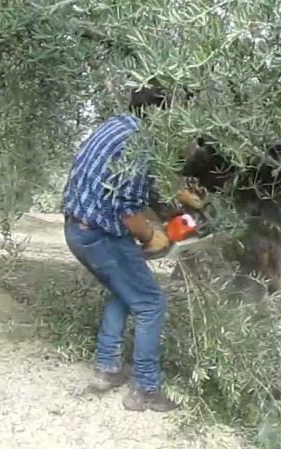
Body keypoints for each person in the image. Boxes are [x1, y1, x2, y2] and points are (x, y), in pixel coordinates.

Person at [61, 85, 202, 412]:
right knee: (151, 302)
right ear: (160, 113)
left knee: (127, 291)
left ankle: (108, 368)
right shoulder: (141, 144)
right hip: (100, 235)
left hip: (78, 228)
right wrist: (151, 235)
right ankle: (145, 389)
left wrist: (179, 197)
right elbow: (127, 208)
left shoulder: (118, 126)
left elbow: (132, 184)